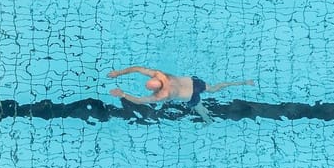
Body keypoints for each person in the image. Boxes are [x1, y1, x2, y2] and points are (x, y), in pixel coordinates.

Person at [108, 66, 253, 116]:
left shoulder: (161, 95)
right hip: (194, 83)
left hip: (190, 96)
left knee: (200, 109)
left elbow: (140, 101)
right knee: (214, 88)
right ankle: (243, 82)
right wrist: (118, 73)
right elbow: (138, 69)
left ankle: (208, 121)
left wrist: (123, 94)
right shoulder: (160, 74)